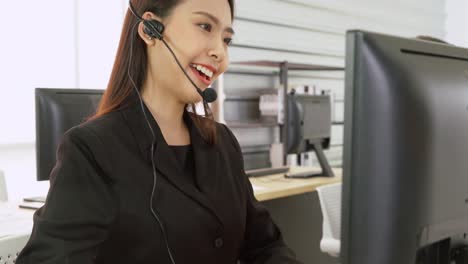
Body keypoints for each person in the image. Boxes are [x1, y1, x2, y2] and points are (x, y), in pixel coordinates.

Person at [16, 0, 302, 263]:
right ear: (151, 30)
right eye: (205, 26)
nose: (220, 52)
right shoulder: (92, 149)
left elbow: (266, 246)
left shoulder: (222, 142)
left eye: (227, 39)